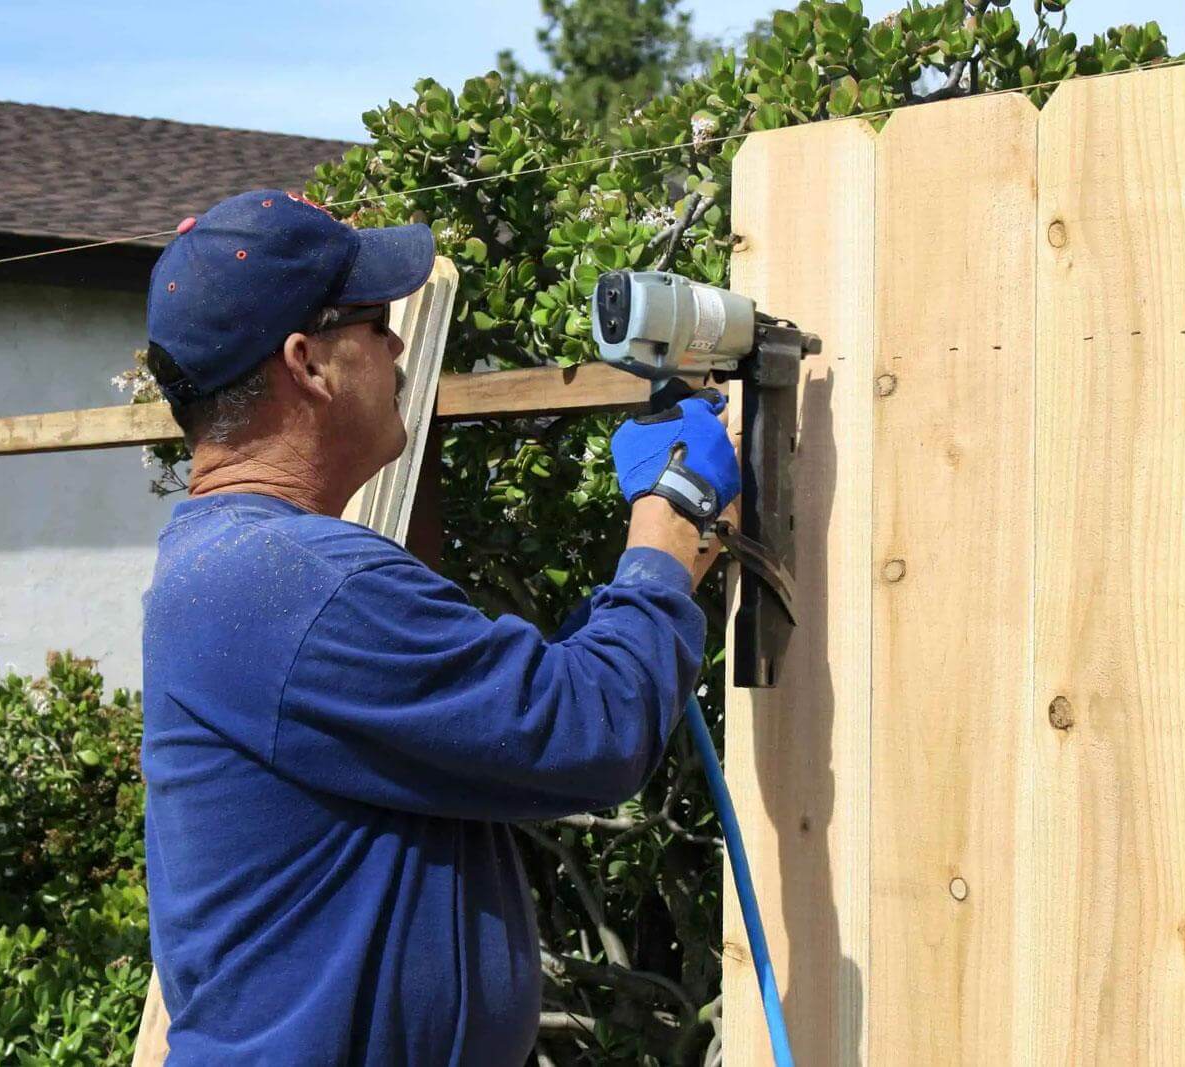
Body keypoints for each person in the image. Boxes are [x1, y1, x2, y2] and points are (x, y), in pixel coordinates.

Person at [139, 189, 740, 1065]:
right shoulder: (294, 583)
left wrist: (650, 576)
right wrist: (670, 524)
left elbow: (506, 715)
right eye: (375, 322)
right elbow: (585, 728)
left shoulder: (235, 567)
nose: (396, 346)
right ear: (308, 363)